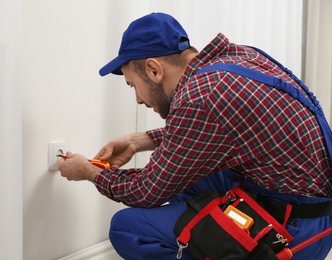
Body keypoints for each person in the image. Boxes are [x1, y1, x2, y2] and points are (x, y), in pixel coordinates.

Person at [58, 12, 332, 259]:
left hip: (294, 235)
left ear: (154, 70)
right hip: (312, 213)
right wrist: (139, 140)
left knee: (128, 229)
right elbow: (210, 132)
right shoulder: (235, 59)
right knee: (189, 177)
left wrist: (90, 172)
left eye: (134, 85)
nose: (138, 100)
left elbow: (146, 191)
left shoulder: (199, 98)